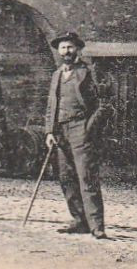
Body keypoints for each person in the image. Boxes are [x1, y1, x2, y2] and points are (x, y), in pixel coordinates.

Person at [44, 31, 108, 238]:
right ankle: (79, 220)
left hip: (81, 129)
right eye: (63, 48)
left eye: (70, 47)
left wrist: (89, 129)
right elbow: (50, 106)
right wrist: (49, 131)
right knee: (66, 177)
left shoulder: (88, 73)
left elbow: (103, 105)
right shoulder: (56, 75)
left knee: (86, 177)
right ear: (59, 51)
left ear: (78, 49)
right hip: (60, 132)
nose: (66, 51)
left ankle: (96, 225)